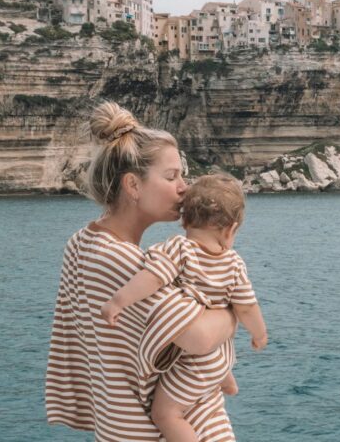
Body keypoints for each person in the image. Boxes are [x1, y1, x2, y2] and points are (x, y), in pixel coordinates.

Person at [45, 101, 238, 441]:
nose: (184, 188)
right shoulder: (123, 263)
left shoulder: (81, 243)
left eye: (184, 176)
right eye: (171, 176)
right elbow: (198, 336)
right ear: (133, 186)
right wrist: (236, 310)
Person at [101, 174, 268, 442]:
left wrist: (118, 301)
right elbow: (247, 307)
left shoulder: (179, 249)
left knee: (165, 414)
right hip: (220, 356)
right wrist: (259, 335)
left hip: (193, 364)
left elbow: (153, 278)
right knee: (218, 321)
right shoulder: (235, 264)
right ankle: (225, 378)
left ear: (185, 220)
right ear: (230, 230)